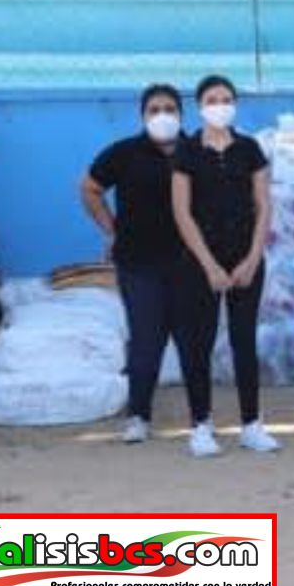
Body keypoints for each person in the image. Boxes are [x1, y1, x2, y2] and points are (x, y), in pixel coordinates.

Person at [168, 74, 277, 458]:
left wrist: (252, 258)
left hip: (245, 257)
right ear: (200, 106)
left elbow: (263, 205)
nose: (220, 106)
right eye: (212, 100)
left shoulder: (249, 149)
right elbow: (182, 212)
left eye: (226, 99)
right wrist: (210, 266)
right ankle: (200, 425)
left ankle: (251, 424)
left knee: (244, 341)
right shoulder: (187, 151)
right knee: (199, 342)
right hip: (199, 262)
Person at [81, 84, 190, 446]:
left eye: (170, 108)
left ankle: (200, 419)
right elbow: (89, 188)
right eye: (154, 109)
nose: (163, 115)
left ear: (181, 114)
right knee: (146, 341)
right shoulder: (124, 153)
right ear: (143, 116)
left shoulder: (197, 151)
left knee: (192, 341)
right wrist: (111, 229)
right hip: (139, 264)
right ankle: (138, 416)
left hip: (189, 263)